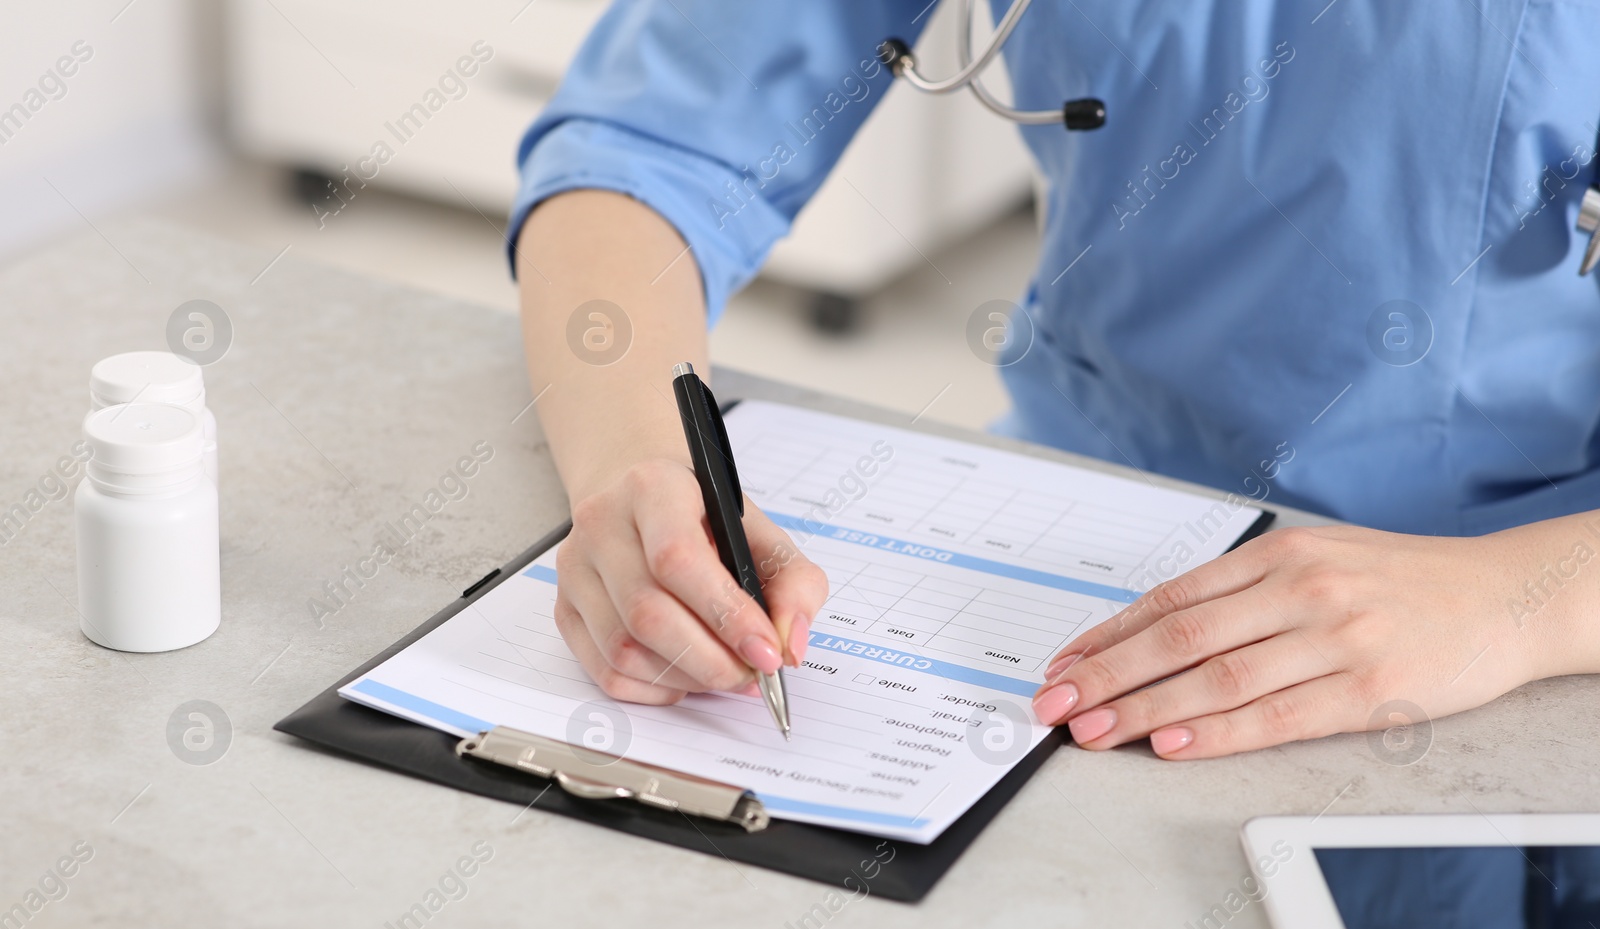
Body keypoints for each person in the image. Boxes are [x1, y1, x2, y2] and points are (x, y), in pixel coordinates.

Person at [508, 2, 1600, 760]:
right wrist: (638, 464)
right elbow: (651, 145)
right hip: (1062, 533)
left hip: (1508, 617)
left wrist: (1519, 602)